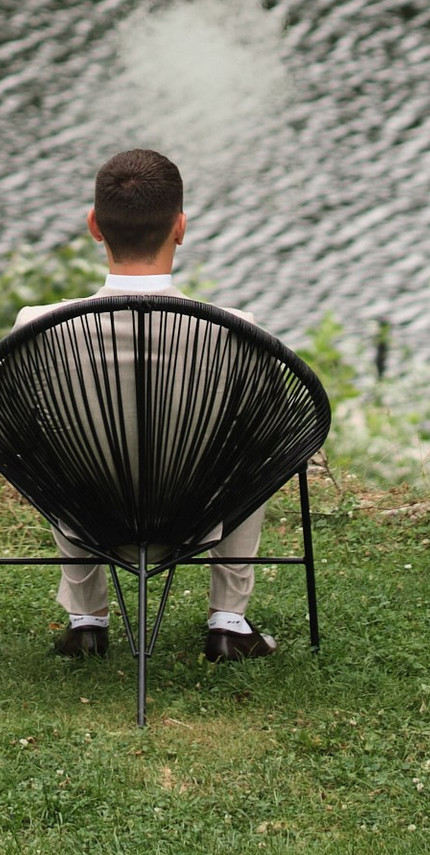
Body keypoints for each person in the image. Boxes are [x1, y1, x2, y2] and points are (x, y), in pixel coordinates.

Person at [15, 143, 275, 665]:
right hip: (197, 516)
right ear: (180, 227)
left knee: (54, 455)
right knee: (255, 449)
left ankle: (87, 620)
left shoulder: (35, 329)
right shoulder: (237, 331)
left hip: (87, 516)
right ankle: (227, 621)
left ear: (94, 225)